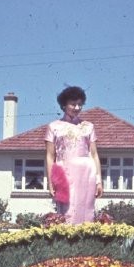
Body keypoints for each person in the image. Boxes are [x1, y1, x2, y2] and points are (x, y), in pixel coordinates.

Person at [45, 86, 103, 224]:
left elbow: (94, 154)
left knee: (86, 210)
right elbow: (49, 156)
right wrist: (50, 181)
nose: (77, 108)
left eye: (80, 104)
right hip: (63, 172)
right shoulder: (53, 127)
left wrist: (99, 181)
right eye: (73, 104)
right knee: (67, 212)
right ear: (64, 105)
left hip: (86, 173)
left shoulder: (88, 126)